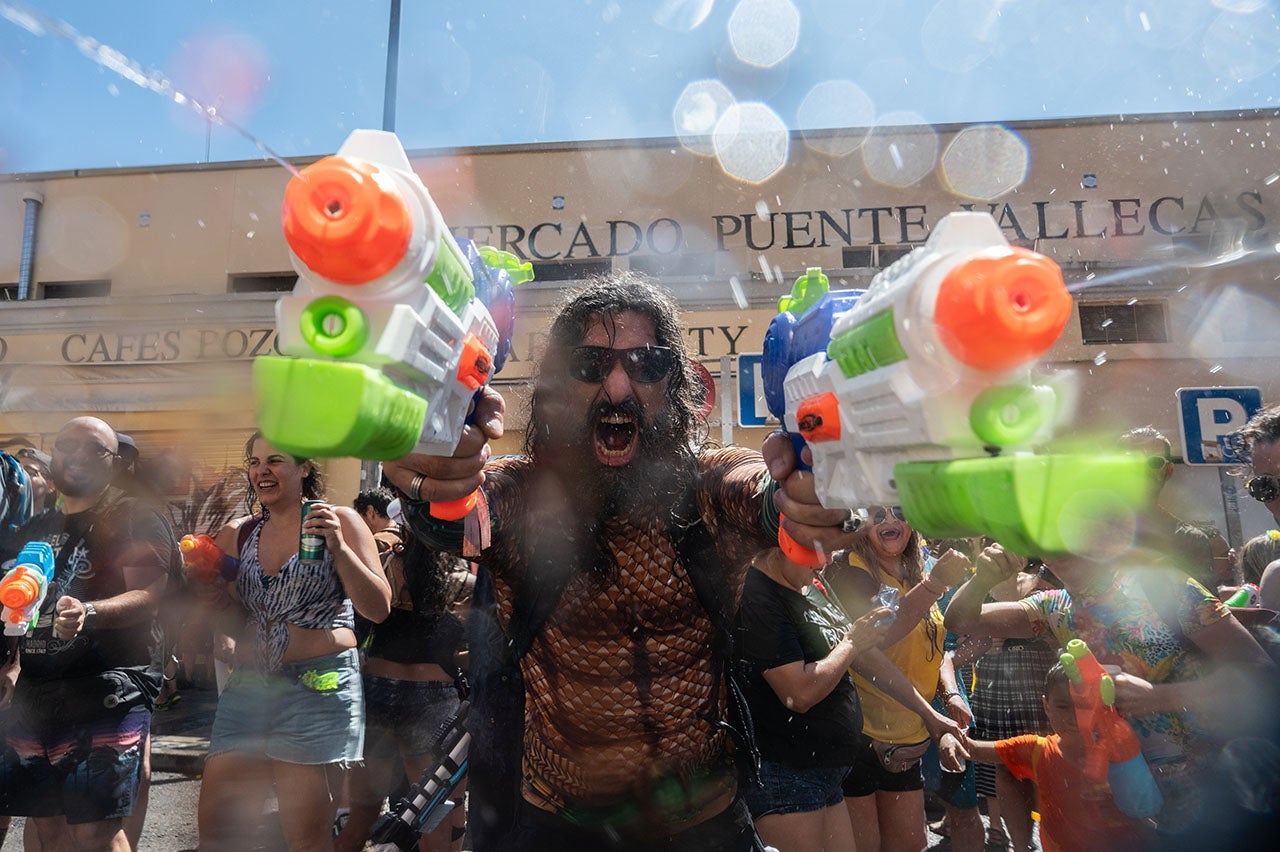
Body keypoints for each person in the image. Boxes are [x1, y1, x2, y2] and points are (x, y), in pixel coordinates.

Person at [383, 273, 859, 851]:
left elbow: (762, 494)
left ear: (675, 383)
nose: (617, 387)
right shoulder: (525, 499)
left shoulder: (708, 494)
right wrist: (432, 474)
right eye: (590, 364)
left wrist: (807, 489)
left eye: (646, 362)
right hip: (561, 827)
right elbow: (458, 516)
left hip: (702, 825)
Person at [945, 539, 1275, 845]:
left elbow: (1261, 672)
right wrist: (981, 580)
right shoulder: (1053, 608)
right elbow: (959, 620)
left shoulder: (1165, 589)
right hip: (1163, 806)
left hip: (1236, 788)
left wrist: (1161, 697)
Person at [195, 432, 390, 852]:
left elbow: (378, 608)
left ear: (304, 468)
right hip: (249, 688)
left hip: (317, 689)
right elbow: (231, 619)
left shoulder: (339, 519)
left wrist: (338, 546)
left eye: (275, 460)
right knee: (218, 832)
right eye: (255, 462)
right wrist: (206, 590)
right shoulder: (238, 533)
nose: (262, 470)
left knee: (305, 840)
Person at [0, 417, 176, 851]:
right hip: (38, 690)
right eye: (65, 444)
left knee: (95, 833)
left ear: (114, 463)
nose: (76, 454)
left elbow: (150, 594)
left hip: (105, 687)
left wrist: (89, 611)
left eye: (93, 448)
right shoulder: (37, 527)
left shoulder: (133, 516)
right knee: (46, 826)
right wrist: (12, 663)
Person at [824, 506, 977, 852]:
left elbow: (929, 641)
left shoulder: (918, 566)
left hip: (908, 737)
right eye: (878, 514)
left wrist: (949, 694)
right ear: (861, 524)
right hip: (863, 735)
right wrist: (935, 584)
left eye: (899, 511)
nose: (891, 521)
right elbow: (875, 644)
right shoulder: (849, 569)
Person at [336, 491, 474, 852]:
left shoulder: (385, 561)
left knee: (360, 818)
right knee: (435, 821)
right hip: (434, 698)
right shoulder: (462, 567)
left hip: (377, 689)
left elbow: (360, 619)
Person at [735, 546, 892, 851]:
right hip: (788, 772)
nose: (827, 558)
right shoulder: (758, 595)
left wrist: (929, 715)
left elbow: (851, 650)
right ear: (782, 542)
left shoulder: (809, 583)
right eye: (815, 545)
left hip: (824, 772)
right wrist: (851, 643)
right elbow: (798, 694)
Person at [958, 662, 1153, 852]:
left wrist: (1125, 814)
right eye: (1063, 706)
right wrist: (947, 734)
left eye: (1083, 705)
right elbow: (974, 749)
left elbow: (1150, 820)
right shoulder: (1037, 751)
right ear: (1046, 706)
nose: (1073, 717)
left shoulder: (1122, 756)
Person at [1119, 426, 1232, 588]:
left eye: (1154, 462)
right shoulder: (1088, 531)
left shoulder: (1190, 540)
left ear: (1169, 470)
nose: (1142, 469)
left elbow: (1204, 610)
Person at [14, 447, 57, 513]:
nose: (18, 475)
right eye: (14, 470)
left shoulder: (57, 521)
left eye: (28, 471)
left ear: (51, 485)